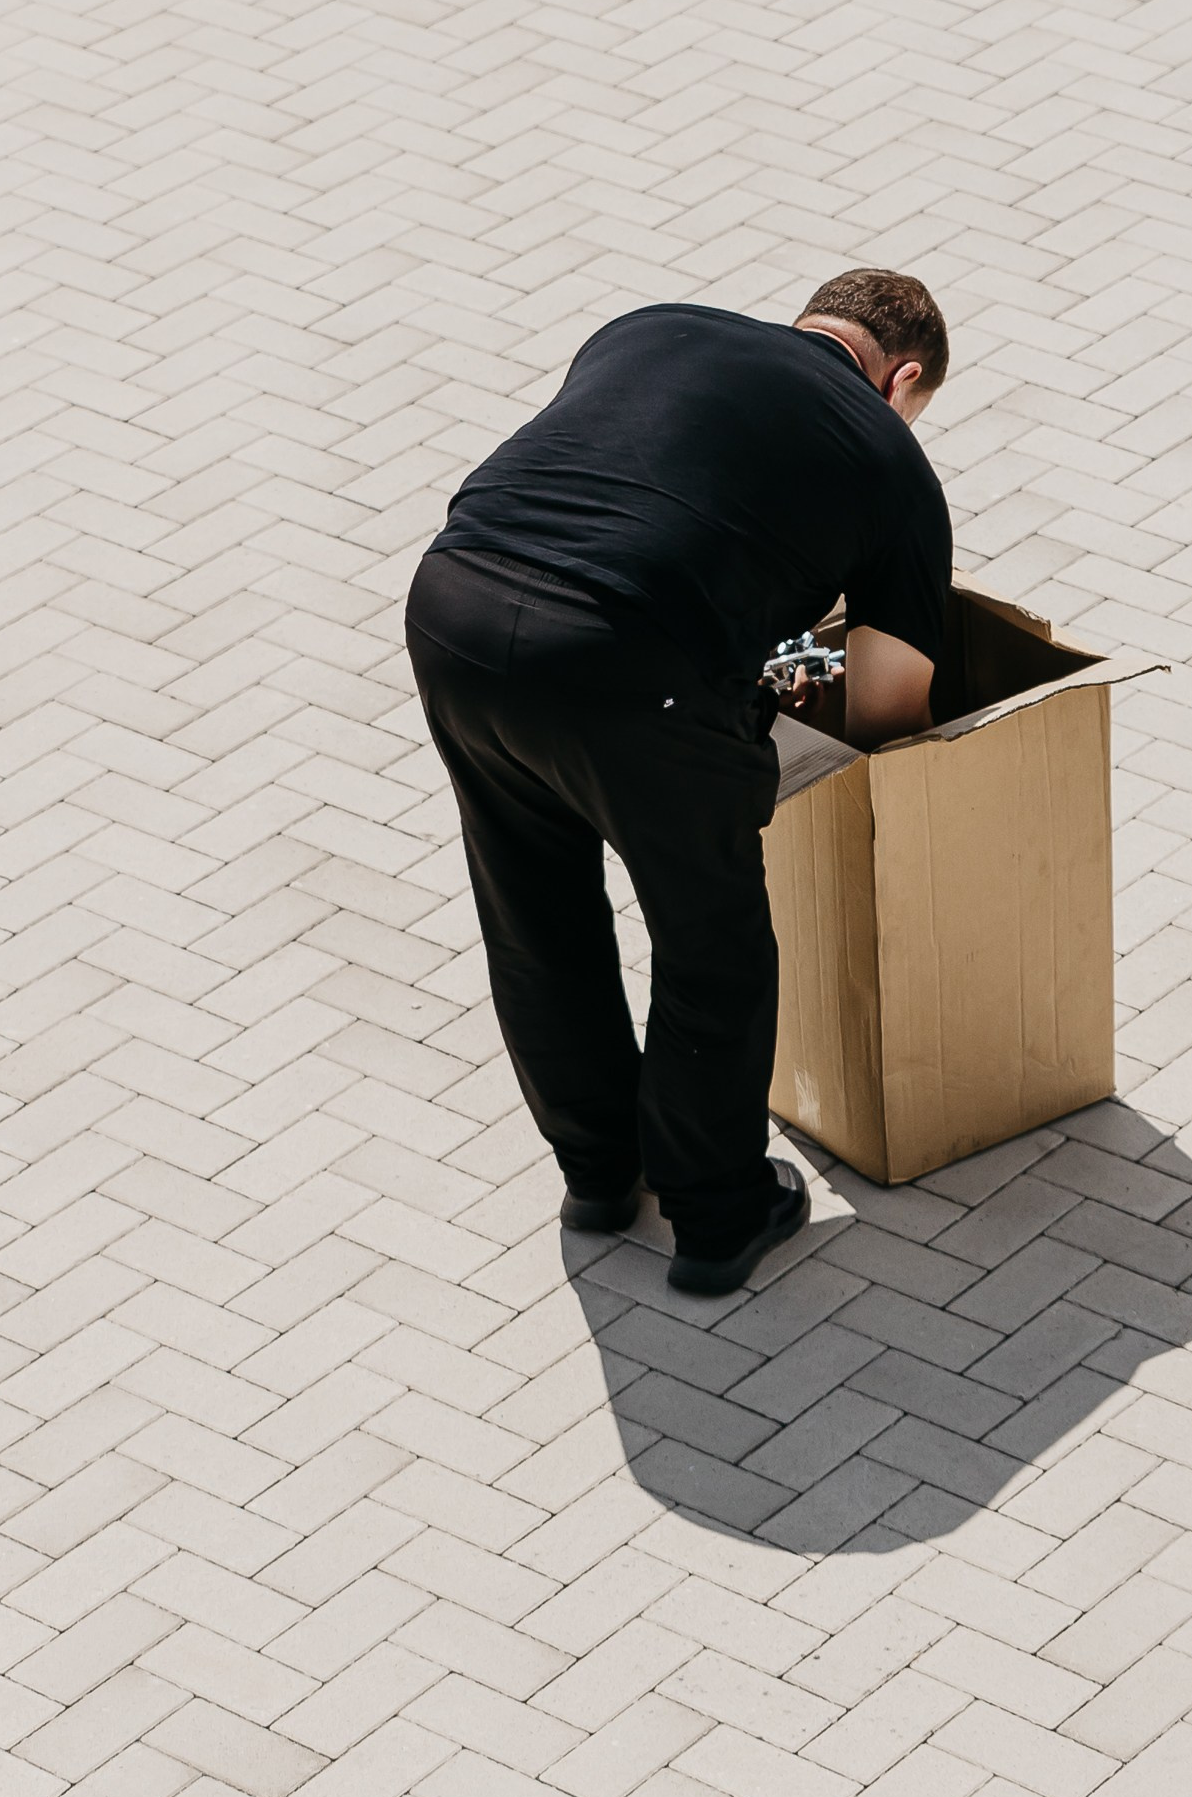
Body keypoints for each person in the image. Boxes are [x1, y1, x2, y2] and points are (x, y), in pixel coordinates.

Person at [403, 270, 951, 1293]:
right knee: (711, 939)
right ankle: (716, 1216)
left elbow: (643, 498)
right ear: (903, 379)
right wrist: (791, 684)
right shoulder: (887, 455)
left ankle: (598, 1177)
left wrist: (752, 636)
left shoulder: (646, 326)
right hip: (626, 664)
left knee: (535, 912)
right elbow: (888, 707)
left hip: (455, 610)